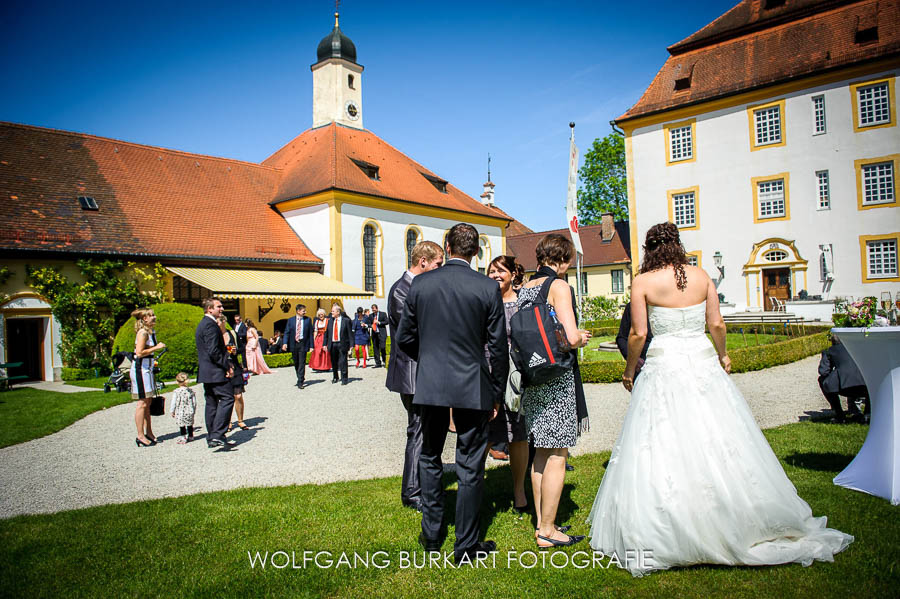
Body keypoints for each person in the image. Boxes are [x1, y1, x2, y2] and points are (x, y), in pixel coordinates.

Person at [587, 222, 853, 576]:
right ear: (678, 245)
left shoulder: (643, 282)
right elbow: (717, 324)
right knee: (718, 432)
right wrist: (723, 355)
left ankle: (676, 521)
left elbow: (638, 333)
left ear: (649, 249)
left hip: (665, 364)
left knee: (664, 438)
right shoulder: (701, 276)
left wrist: (629, 370)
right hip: (700, 360)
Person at [396, 223, 508, 563]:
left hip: (429, 383)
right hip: (472, 383)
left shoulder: (421, 285)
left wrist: (428, 360)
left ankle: (432, 535)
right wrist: (497, 392)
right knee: (470, 464)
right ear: (476, 252)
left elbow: (403, 339)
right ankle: (466, 545)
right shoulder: (487, 288)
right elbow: (498, 348)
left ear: (447, 246)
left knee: (429, 456)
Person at [518, 234, 591, 548]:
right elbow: (571, 336)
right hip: (557, 379)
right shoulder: (559, 287)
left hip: (533, 376)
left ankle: (542, 521)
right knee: (558, 454)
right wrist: (582, 337)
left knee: (541, 453)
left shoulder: (525, 288)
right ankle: (548, 530)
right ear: (565, 260)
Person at [386, 240, 444, 511]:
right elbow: (411, 334)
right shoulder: (401, 290)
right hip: (412, 372)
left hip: (422, 370)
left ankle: (423, 483)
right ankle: (412, 493)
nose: (439, 270)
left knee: (424, 429)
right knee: (418, 429)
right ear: (423, 262)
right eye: (437, 265)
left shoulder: (417, 287)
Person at [485, 255, 530, 508]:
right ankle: (474, 486)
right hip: (489, 373)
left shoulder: (523, 302)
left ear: (513, 274)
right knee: (485, 431)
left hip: (516, 376)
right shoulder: (484, 301)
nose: (495, 275)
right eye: (491, 271)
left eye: (500, 271)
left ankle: (519, 491)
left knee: (518, 434)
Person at [195, 297, 235, 450]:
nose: (222, 308)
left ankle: (213, 436)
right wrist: (227, 366)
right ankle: (217, 434)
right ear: (209, 309)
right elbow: (214, 351)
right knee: (227, 398)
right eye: (219, 306)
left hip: (207, 371)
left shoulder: (203, 324)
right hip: (215, 370)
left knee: (211, 402)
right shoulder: (210, 325)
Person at [130, 308, 165, 447]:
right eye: (151, 315)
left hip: (147, 369)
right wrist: (156, 348)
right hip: (141, 370)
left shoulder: (150, 332)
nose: (154, 317)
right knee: (142, 403)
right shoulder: (143, 333)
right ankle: (140, 435)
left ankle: (148, 432)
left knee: (148, 403)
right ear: (144, 319)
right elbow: (139, 353)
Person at [818, 337, 870, 423]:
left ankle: (839, 415)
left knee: (822, 380)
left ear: (832, 342)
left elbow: (823, 372)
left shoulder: (829, 351)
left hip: (844, 388)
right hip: (864, 386)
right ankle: (868, 414)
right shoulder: (858, 348)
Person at [218, 316, 248, 433]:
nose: (218, 323)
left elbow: (242, 348)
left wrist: (236, 351)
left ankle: (240, 420)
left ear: (224, 322)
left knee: (238, 395)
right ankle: (228, 421)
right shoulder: (215, 335)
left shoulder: (232, 334)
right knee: (227, 397)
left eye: (220, 321)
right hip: (222, 368)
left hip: (235, 366)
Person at [616, 300, 652, 378]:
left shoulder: (674, 304)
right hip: (642, 368)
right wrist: (633, 359)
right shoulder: (633, 306)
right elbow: (622, 338)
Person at [282, 304, 313, 389]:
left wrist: (311, 346)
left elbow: (310, 333)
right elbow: (287, 332)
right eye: (303, 311)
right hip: (294, 344)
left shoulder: (308, 320)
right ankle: (300, 376)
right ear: (298, 311)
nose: (305, 312)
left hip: (303, 343)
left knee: (302, 363)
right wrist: (284, 343)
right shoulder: (290, 320)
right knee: (296, 362)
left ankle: (300, 381)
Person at [326, 303, 352, 385]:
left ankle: (344, 378)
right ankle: (335, 377)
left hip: (342, 343)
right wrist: (324, 344)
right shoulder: (330, 321)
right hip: (333, 344)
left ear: (338, 312)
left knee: (343, 361)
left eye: (333, 311)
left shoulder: (346, 321)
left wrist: (351, 345)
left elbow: (350, 334)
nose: (331, 313)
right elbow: (327, 334)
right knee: (334, 361)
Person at [169, 372, 197, 444]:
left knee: (182, 424)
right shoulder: (191, 391)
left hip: (180, 411)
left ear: (177, 381)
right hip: (189, 410)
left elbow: (174, 402)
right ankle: (191, 436)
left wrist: (172, 410)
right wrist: (194, 409)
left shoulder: (177, 392)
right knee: (189, 423)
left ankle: (183, 437)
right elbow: (194, 401)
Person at [367, 303, 389, 367]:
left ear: (377, 308)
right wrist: (366, 325)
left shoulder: (383, 314)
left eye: (374, 309)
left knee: (382, 347)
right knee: (375, 348)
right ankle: (378, 363)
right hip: (374, 334)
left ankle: (384, 361)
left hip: (382, 333)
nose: (373, 311)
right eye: (372, 310)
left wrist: (379, 322)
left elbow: (387, 322)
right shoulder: (371, 316)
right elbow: (369, 323)